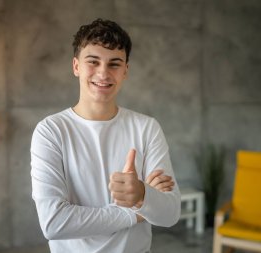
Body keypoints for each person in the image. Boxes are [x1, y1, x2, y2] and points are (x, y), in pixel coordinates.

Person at [30, 18, 181, 253]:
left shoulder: (146, 128)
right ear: (76, 66)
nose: (103, 73)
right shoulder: (51, 131)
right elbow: (53, 223)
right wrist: (138, 207)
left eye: (114, 64)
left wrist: (141, 194)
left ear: (125, 71)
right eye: (93, 61)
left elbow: (170, 214)